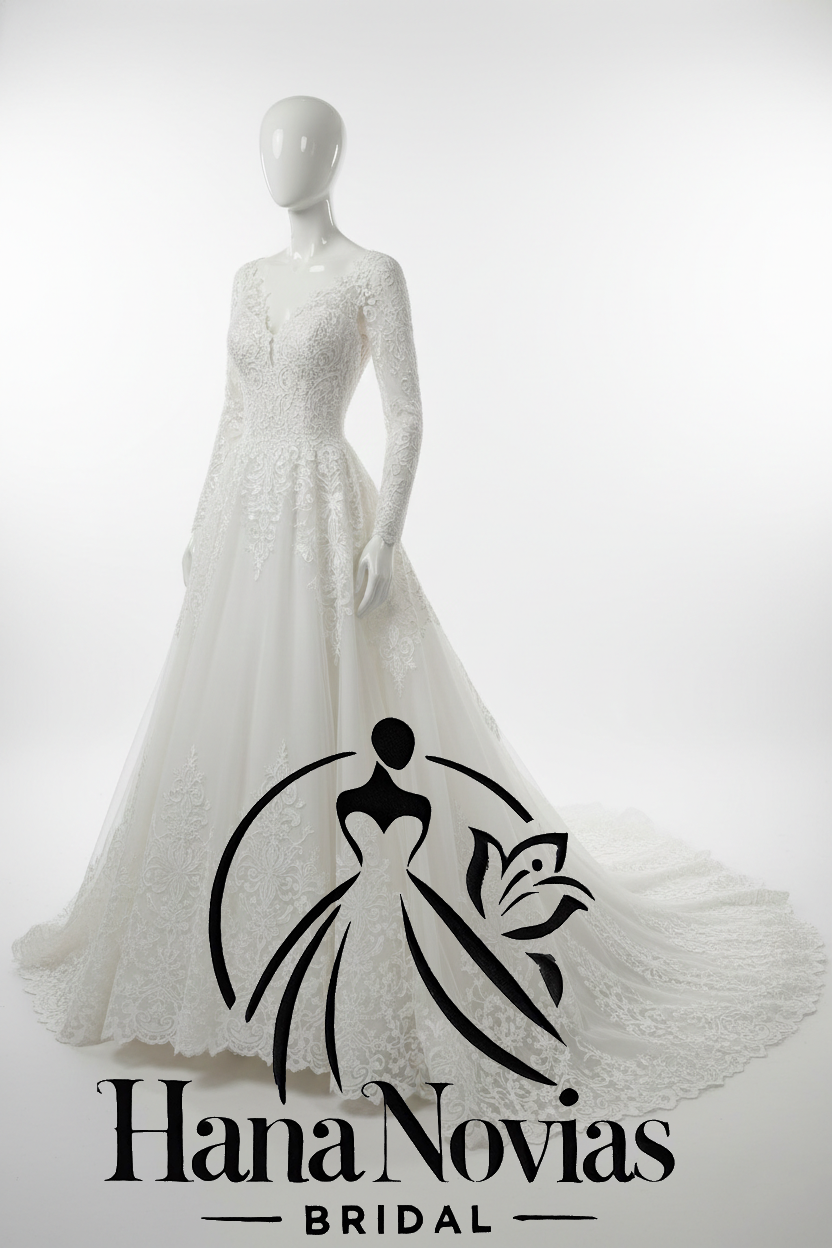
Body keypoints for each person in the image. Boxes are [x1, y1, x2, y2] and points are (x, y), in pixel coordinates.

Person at [13, 96, 823, 1133]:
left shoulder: (372, 273)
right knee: (232, 719)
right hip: (247, 522)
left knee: (337, 704)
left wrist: (384, 534)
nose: (283, 159)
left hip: (326, 509)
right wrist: (202, 520)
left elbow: (404, 413)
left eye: (304, 142)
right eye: (272, 142)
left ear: (335, 157)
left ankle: (349, 958)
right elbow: (231, 411)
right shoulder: (246, 279)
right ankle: (221, 951)